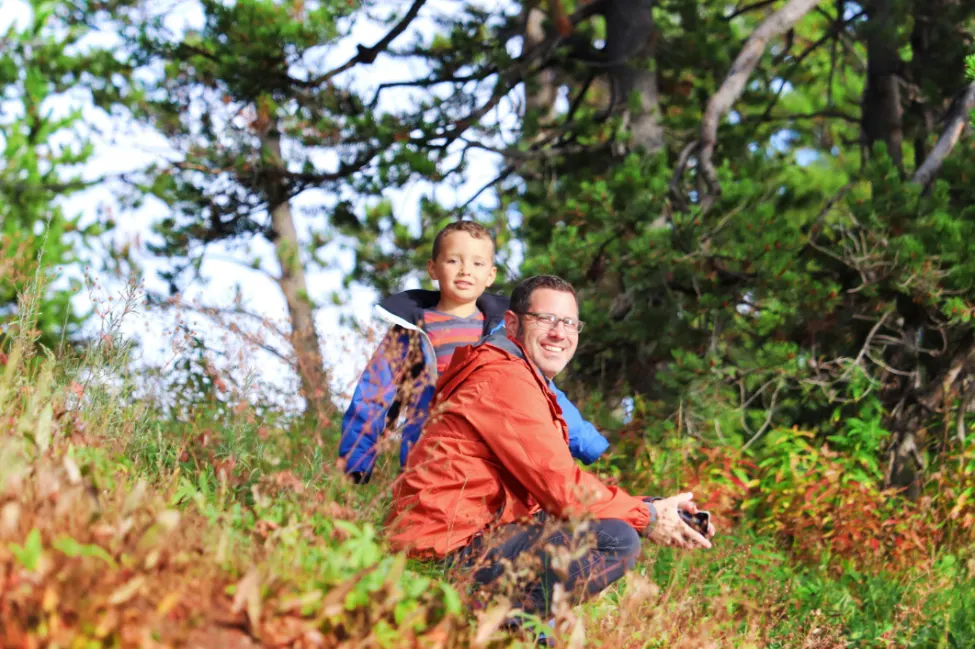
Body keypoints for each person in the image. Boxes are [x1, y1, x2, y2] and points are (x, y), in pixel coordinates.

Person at [385, 275, 714, 618]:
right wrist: (647, 518)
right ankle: (494, 626)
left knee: (607, 528)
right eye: (545, 320)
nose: (560, 333)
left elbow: (548, 493)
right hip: (444, 553)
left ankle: (513, 625)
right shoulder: (503, 378)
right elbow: (564, 492)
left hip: (470, 538)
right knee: (615, 539)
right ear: (512, 324)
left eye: (570, 323)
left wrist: (654, 507)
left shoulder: (521, 376)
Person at [338, 223, 610, 483]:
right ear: (433, 268)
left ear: (490, 275)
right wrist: (356, 462)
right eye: (454, 261)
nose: (466, 271)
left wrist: (590, 444)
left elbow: (542, 391)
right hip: (430, 458)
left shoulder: (506, 332)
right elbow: (374, 393)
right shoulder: (410, 329)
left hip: (496, 458)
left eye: (477, 263)